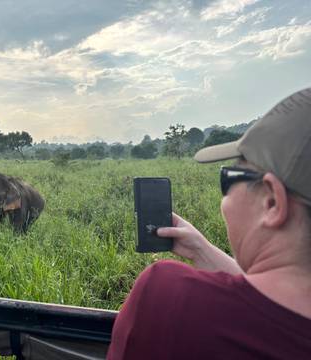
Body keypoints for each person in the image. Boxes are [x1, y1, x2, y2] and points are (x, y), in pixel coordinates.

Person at [107, 88, 311, 359]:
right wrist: (201, 251)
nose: (224, 199)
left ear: (272, 202)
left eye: (229, 178)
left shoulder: (167, 293)